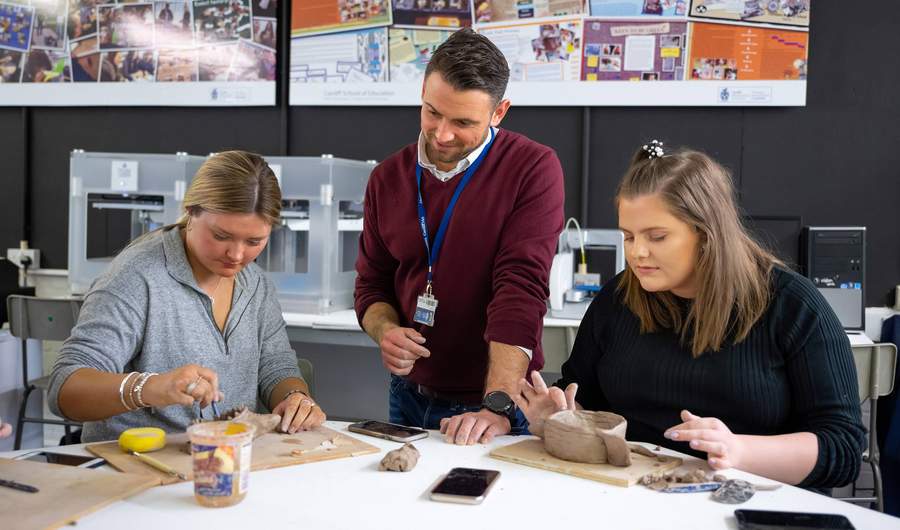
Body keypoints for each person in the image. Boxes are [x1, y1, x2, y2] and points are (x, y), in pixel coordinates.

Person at [513, 141, 865, 489]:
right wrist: (557, 418)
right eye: (628, 237)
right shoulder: (617, 299)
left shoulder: (793, 305)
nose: (637, 253)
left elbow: (843, 450)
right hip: (635, 494)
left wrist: (739, 451)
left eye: (657, 237)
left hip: (748, 500)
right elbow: (582, 397)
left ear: (707, 234)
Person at [355, 28, 564, 445]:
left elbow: (520, 289)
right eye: (433, 112)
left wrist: (497, 404)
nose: (442, 134)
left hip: (495, 402)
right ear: (422, 91)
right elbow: (371, 284)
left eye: (463, 122)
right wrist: (385, 330)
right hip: (408, 394)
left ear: (499, 112)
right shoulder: (386, 178)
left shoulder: (533, 168)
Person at [49, 151, 325, 443]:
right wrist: (150, 388)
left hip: (224, 458)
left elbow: (276, 365)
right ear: (191, 212)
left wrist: (296, 398)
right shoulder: (137, 276)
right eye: (221, 236)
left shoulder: (256, 283)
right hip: (135, 459)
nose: (236, 254)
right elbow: (65, 388)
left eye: (254, 241)